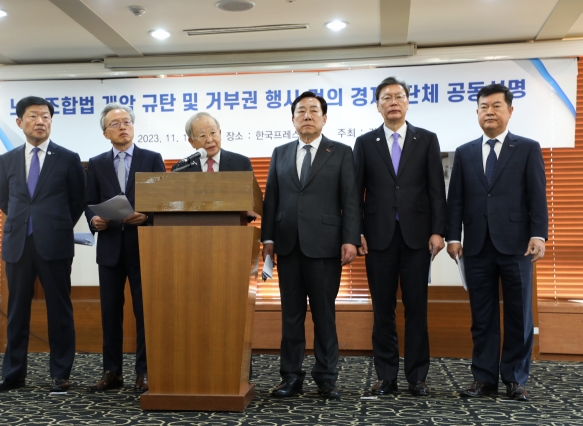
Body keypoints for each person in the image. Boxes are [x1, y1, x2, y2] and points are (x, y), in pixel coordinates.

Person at [446, 84, 548, 401]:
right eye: (483, 106)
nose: (489, 111)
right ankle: (484, 379)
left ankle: (515, 380)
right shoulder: (463, 152)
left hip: (517, 245)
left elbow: (537, 195)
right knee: (483, 318)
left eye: (496, 106)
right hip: (476, 247)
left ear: (510, 111)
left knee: (519, 316)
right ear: (477, 112)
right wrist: (453, 236)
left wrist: (538, 233)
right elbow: (456, 200)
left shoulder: (528, 148)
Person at [261, 91, 361, 400]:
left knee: (323, 315)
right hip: (288, 247)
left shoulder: (341, 152)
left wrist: (350, 239)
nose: (307, 115)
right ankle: (291, 376)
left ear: (324, 118)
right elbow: (271, 199)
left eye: (313, 111)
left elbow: (351, 200)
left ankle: (326, 377)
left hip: (325, 247)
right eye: (301, 111)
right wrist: (268, 239)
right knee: (290, 316)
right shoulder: (280, 152)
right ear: (292, 119)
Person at [353, 76, 447, 397]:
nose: (393, 102)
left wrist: (438, 231)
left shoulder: (427, 140)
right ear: (377, 105)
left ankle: (417, 377)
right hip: (378, 238)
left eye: (399, 96)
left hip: (417, 238)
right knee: (383, 311)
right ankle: (386, 376)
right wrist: (356, 233)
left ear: (407, 102)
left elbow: (437, 190)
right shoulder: (365, 143)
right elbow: (355, 194)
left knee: (417, 308)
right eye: (386, 97)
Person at [0, 96, 86, 393]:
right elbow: (5, 200)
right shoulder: (7, 160)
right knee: (17, 310)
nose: (40, 121)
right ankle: (13, 374)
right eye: (33, 116)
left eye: (45, 116)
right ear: (20, 123)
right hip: (18, 244)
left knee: (59, 309)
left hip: (54, 243)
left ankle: (61, 374)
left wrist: (54, 226)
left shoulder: (68, 158)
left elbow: (77, 201)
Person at [85, 103, 165, 392]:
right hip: (109, 249)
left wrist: (148, 216)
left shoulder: (152, 158)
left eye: (126, 121)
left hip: (143, 246)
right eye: (115, 123)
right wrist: (94, 220)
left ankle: (144, 373)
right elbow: (88, 202)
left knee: (145, 313)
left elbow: (164, 201)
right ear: (106, 133)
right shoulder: (96, 163)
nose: (122, 126)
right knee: (110, 313)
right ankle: (112, 372)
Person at [171, 112, 252, 172]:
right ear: (191, 142)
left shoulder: (241, 164)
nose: (209, 140)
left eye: (213, 133)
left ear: (219, 133)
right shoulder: (180, 169)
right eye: (202, 136)